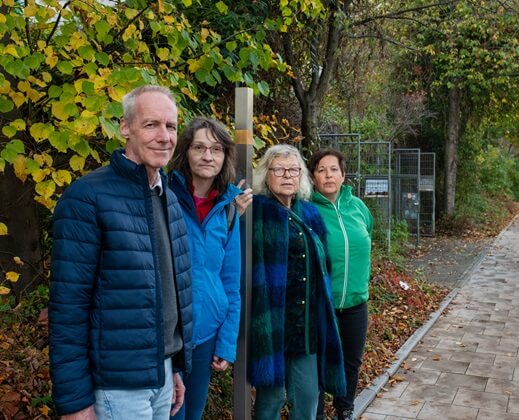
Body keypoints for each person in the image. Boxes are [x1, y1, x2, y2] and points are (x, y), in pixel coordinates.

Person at [48, 85, 192, 420]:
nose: (164, 136)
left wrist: (173, 366)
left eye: (170, 127)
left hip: (161, 372)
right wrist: (74, 401)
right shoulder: (87, 197)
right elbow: (68, 309)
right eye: (151, 124)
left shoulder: (167, 197)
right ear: (125, 128)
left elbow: (166, 294)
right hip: (117, 384)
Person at [249, 144, 346, 420]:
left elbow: (324, 266)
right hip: (272, 324)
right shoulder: (257, 213)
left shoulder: (310, 213)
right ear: (266, 175)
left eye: (293, 169)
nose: (287, 175)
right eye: (279, 169)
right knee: (270, 400)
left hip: (305, 327)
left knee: (307, 399)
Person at [168, 117, 251, 420]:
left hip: (206, 335)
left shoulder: (227, 209)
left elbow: (231, 282)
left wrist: (227, 343)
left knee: (193, 413)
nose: (207, 156)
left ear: (225, 156)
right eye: (199, 147)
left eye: (216, 149)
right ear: (185, 152)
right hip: (170, 336)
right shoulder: (165, 198)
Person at [308, 149, 373, 420]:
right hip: (323, 303)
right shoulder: (307, 209)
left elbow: (367, 237)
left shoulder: (358, 207)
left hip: (357, 302)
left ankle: (344, 409)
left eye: (334, 169)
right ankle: (318, 413)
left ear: (343, 175)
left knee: (351, 361)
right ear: (313, 177)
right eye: (321, 170)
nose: (328, 175)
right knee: (321, 361)